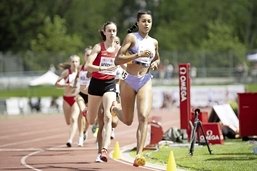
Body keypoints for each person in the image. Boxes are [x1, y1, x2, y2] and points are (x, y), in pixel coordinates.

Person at [114, 10, 160, 167]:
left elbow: (157, 57)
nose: (147, 24)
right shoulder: (132, 37)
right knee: (127, 120)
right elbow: (117, 60)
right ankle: (115, 108)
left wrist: (154, 63)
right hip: (128, 79)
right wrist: (136, 55)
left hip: (145, 80)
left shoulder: (154, 42)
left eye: (149, 21)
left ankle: (139, 154)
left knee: (143, 117)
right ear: (138, 22)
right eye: (144, 21)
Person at [86, 21, 120, 162]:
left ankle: (105, 150)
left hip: (109, 84)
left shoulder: (119, 49)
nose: (112, 33)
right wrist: (102, 69)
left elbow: (126, 64)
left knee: (107, 116)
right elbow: (88, 66)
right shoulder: (98, 47)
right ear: (104, 32)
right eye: (109, 30)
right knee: (91, 119)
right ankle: (86, 112)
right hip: (95, 84)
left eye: (114, 31)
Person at [55, 55, 82, 147]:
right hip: (66, 98)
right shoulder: (66, 72)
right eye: (73, 62)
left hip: (76, 98)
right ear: (70, 63)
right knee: (68, 121)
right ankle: (72, 132)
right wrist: (65, 85)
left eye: (76, 62)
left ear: (79, 63)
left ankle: (70, 139)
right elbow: (56, 84)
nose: (74, 64)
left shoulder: (81, 72)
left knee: (74, 118)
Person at [75, 47, 92, 146]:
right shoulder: (80, 68)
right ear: (84, 57)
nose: (89, 57)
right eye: (87, 55)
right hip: (81, 94)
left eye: (91, 55)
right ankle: (80, 135)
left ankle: (85, 131)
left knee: (89, 117)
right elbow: (74, 78)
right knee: (82, 112)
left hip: (91, 96)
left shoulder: (94, 68)